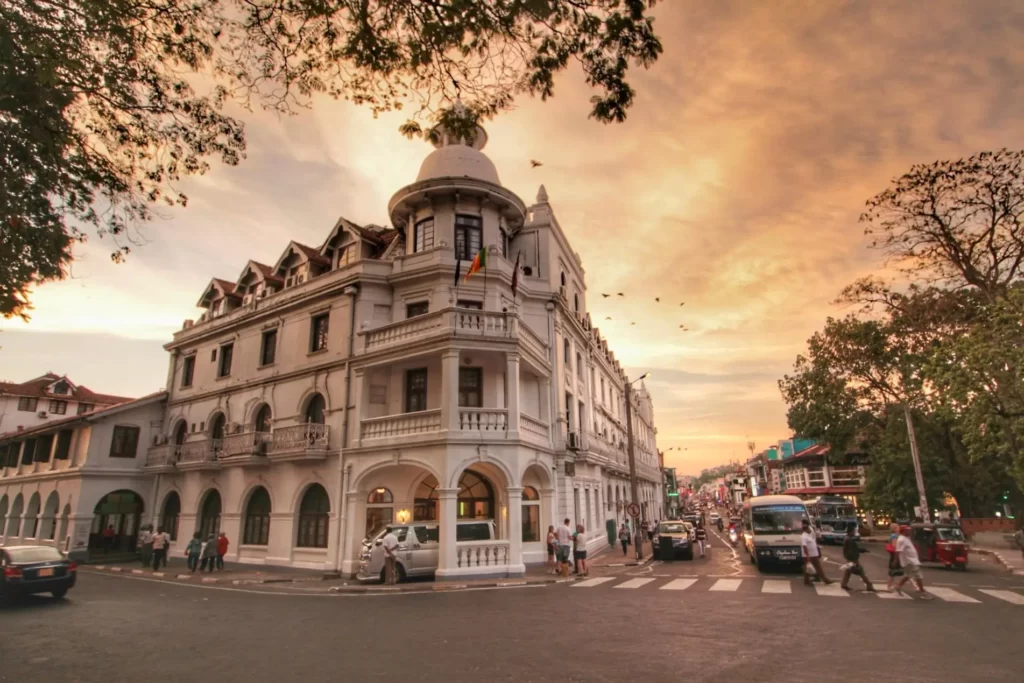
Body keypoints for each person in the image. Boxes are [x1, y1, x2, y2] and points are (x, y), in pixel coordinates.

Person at [894, 525, 933, 599]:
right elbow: (898, 551)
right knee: (918, 576)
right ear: (903, 531)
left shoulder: (905, 538)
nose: (909, 531)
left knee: (909, 575)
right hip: (909, 561)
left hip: (911, 561)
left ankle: (898, 586)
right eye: (907, 530)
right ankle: (923, 592)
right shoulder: (901, 539)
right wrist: (896, 561)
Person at [840, 526, 874, 592]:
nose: (854, 533)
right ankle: (869, 585)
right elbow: (853, 550)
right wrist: (854, 560)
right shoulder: (849, 540)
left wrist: (863, 550)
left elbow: (851, 550)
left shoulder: (847, 539)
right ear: (850, 532)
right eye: (853, 531)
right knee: (861, 572)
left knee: (848, 572)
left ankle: (843, 584)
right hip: (853, 559)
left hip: (849, 558)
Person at [801, 520, 832, 586]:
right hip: (810, 555)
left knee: (810, 567)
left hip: (814, 553)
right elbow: (804, 547)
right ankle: (825, 579)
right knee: (813, 567)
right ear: (806, 529)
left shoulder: (809, 535)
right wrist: (808, 556)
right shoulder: (804, 536)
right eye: (809, 529)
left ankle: (807, 580)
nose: (810, 529)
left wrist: (818, 550)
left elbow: (814, 542)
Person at [885, 522, 903, 592]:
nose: (899, 528)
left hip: (895, 555)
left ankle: (892, 585)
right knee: (893, 572)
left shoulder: (896, 536)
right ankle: (890, 586)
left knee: (895, 572)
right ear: (894, 529)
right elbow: (894, 546)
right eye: (898, 527)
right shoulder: (894, 536)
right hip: (895, 555)